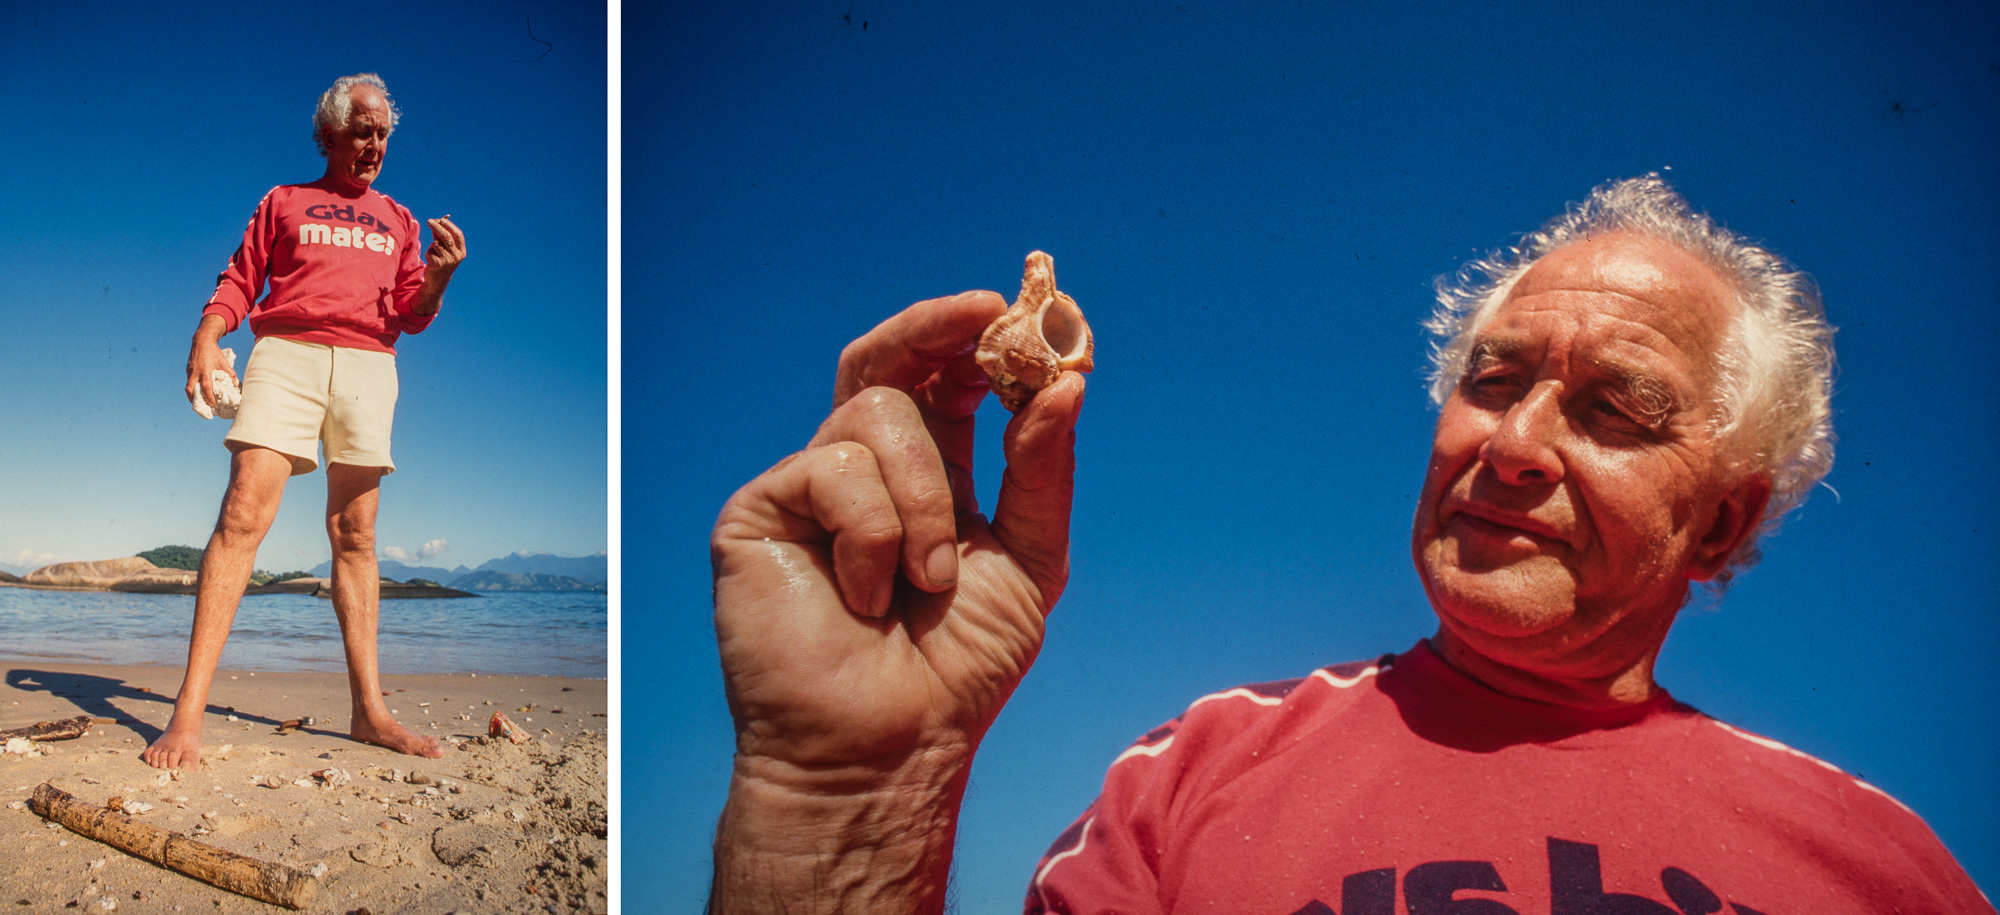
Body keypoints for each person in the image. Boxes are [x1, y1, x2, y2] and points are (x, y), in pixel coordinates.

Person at [705, 177, 1991, 913]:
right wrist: (847, 794)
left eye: (1612, 410)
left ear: (1717, 517)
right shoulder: (1194, 778)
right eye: (1490, 381)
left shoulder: (1884, 864)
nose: (1514, 443)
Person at [143, 73, 468, 770]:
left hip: (367, 366)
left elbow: (411, 313)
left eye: (383, 132)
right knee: (241, 519)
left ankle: (368, 711)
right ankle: (188, 713)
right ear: (326, 135)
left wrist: (438, 277)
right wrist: (207, 332)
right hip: (285, 354)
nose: (375, 143)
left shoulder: (402, 221)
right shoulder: (283, 201)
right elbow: (240, 277)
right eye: (361, 129)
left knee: (356, 534)